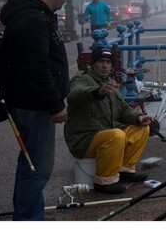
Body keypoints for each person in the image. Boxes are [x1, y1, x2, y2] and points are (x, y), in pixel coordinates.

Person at [0, 0, 71, 221]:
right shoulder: (34, 20)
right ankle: (28, 219)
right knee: (36, 167)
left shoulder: (33, 15)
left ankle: (30, 215)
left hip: (31, 102)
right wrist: (55, 104)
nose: (64, 3)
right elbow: (36, 67)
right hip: (34, 105)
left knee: (33, 164)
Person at [64, 47, 153, 194]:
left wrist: (139, 117)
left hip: (105, 135)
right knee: (116, 135)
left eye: (108, 62)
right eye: (100, 62)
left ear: (112, 65)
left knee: (142, 128)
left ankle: (125, 170)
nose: (105, 66)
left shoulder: (110, 81)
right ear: (93, 64)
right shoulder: (81, 78)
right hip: (83, 139)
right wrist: (98, 92)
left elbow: (123, 108)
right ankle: (104, 181)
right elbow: (74, 95)